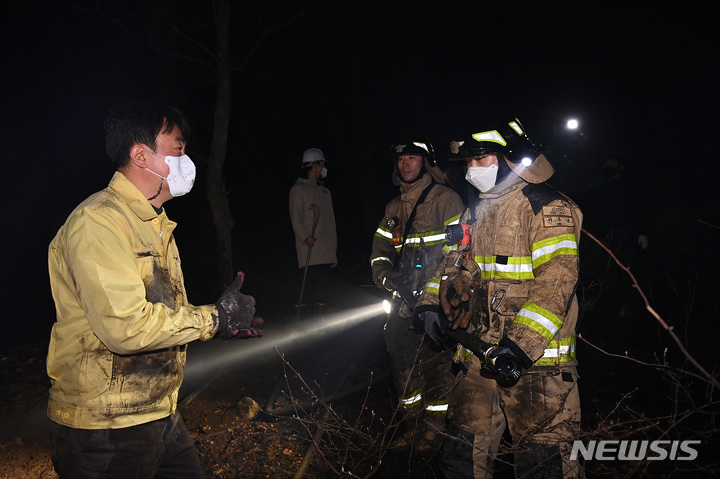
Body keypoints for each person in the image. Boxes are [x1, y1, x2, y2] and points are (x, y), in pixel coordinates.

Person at [46, 100, 263, 478]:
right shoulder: (99, 222)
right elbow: (126, 327)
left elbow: (160, 314)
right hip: (105, 427)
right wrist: (217, 317)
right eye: (178, 147)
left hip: (157, 413)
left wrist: (217, 326)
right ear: (141, 155)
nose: (186, 157)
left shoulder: (155, 224)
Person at [416, 113, 583, 478]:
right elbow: (452, 263)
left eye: (480, 159)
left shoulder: (546, 207)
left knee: (546, 467)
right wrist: (430, 305)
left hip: (538, 369)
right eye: (468, 162)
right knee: (461, 460)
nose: (471, 169)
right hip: (476, 360)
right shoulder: (476, 210)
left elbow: (557, 283)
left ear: (510, 156)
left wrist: (519, 346)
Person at [370, 141, 465, 452]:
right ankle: (412, 425)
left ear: (425, 162)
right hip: (401, 303)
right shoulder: (393, 208)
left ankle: (437, 430)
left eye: (412, 157)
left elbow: (462, 251)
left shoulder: (446, 200)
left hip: (437, 300)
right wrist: (385, 274)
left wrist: (440, 290)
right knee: (400, 359)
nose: (405, 164)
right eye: (400, 159)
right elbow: (380, 252)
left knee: (436, 363)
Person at [289, 148, 338, 322]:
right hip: (309, 249)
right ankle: (300, 324)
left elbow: (330, 223)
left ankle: (319, 322)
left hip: (326, 249)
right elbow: (296, 220)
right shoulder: (298, 189)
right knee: (306, 286)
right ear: (314, 166)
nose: (323, 168)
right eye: (322, 164)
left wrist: (333, 246)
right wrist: (305, 237)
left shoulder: (325, 192)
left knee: (322, 288)